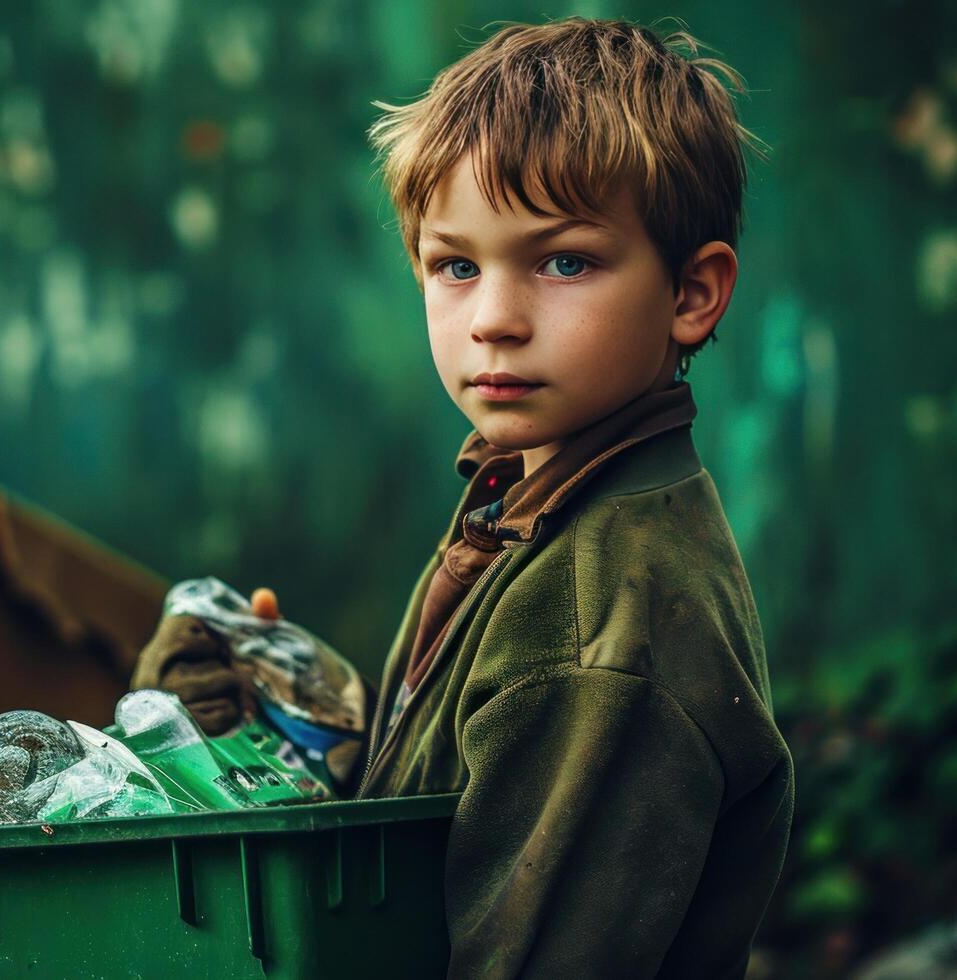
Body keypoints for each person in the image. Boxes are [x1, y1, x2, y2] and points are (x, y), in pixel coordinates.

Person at [130, 17, 794, 978]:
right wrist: (287, 745)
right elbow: (450, 837)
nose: (492, 320)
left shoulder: (596, 634)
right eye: (455, 266)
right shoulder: (530, 506)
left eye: (563, 261)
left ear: (692, 292)